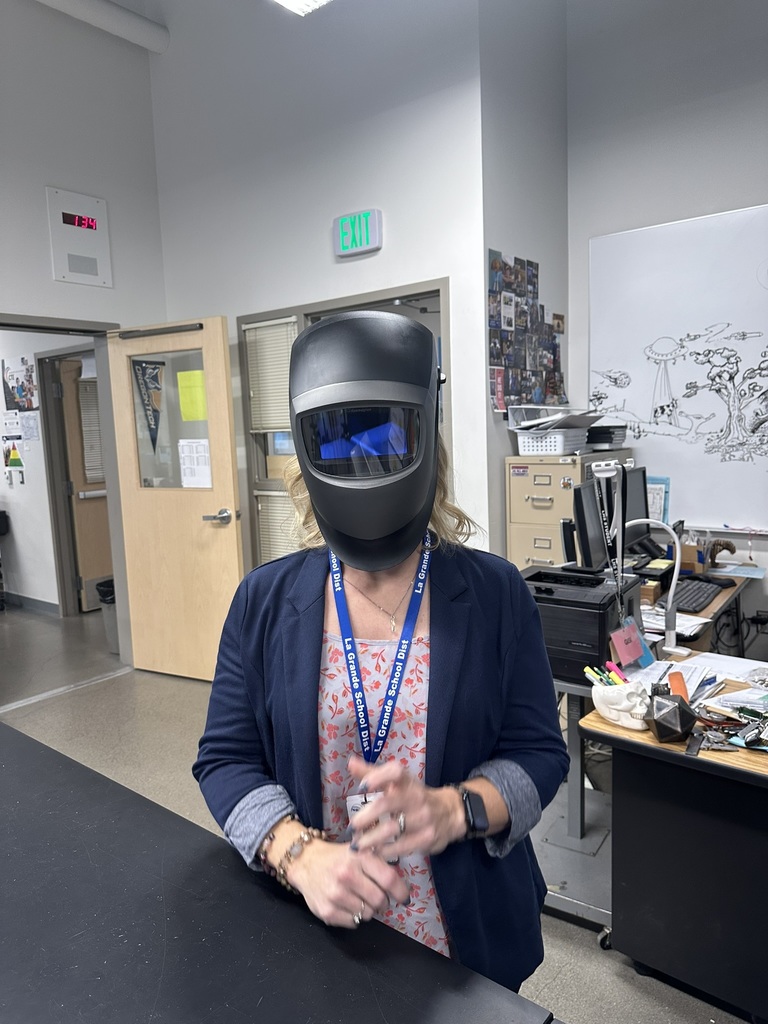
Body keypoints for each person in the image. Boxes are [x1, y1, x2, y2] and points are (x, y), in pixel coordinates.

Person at [193, 310, 569, 992]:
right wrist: (297, 853)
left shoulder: (494, 592)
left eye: (382, 438)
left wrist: (455, 809)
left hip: (469, 945)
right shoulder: (265, 601)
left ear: (427, 438)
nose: (362, 461)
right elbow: (225, 760)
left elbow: (540, 753)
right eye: (337, 442)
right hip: (320, 933)